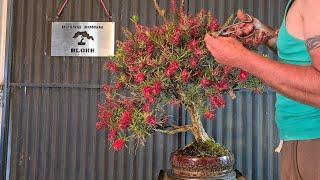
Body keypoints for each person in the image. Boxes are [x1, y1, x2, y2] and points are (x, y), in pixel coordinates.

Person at [204, 0, 320, 179]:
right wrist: (267, 35)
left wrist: (241, 58)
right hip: (302, 141)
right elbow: (302, 50)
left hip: (312, 145)